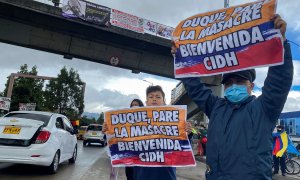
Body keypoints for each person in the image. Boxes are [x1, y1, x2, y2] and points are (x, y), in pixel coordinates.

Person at [171, 14, 293, 179]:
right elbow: (195, 88)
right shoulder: (216, 107)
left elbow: (279, 82)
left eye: (240, 81)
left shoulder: (264, 109)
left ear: (251, 85)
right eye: (229, 83)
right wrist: (180, 59)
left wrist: (282, 44)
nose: (234, 86)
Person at [133, 85, 192, 180]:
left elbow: (182, 147)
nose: (154, 99)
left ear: (164, 102)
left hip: (166, 174)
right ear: (146, 102)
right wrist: (109, 131)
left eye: (158, 97)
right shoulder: (135, 124)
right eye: (151, 97)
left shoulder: (175, 122)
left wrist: (187, 133)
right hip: (142, 174)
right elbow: (121, 141)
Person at [126, 99, 144, 180]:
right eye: (132, 105)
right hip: (130, 154)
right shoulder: (125, 121)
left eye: (136, 105)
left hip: (141, 155)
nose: (134, 107)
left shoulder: (146, 120)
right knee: (130, 176)